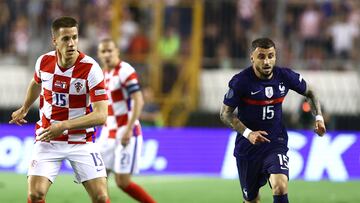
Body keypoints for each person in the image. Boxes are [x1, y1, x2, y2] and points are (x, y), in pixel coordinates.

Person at [9, 16, 111, 203]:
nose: (71, 43)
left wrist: (64, 125)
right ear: (55, 40)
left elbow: (101, 115)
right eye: (65, 39)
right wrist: (24, 108)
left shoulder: (91, 69)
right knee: (35, 194)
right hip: (48, 139)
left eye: (75, 37)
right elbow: (36, 82)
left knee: (101, 197)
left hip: (81, 141)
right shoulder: (43, 62)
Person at [220, 38, 326, 203]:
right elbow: (225, 114)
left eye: (271, 56)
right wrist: (248, 134)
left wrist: (319, 117)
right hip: (248, 147)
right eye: (261, 56)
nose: (267, 61)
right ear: (252, 58)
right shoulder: (241, 82)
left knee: (280, 185)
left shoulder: (284, 76)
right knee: (251, 199)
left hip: (275, 142)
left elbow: (310, 92)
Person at [97, 38, 156, 203]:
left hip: (126, 132)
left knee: (122, 182)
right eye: (103, 51)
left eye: (110, 50)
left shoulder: (125, 71)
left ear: (117, 51)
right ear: (99, 55)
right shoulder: (102, 74)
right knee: (97, 179)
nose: (107, 54)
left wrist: (129, 129)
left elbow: (139, 100)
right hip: (108, 133)